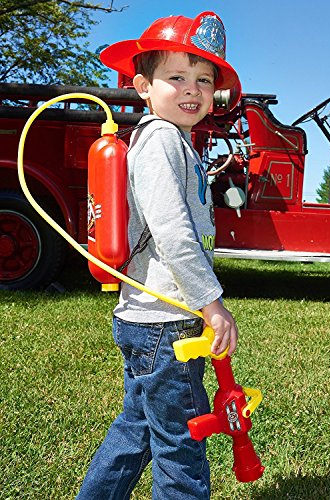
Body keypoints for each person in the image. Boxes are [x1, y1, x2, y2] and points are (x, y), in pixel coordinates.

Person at [77, 11, 239, 500]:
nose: (192, 90)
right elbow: (173, 232)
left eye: (204, 80)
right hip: (166, 323)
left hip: (147, 320)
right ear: (143, 86)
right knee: (181, 443)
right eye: (177, 78)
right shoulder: (162, 142)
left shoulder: (173, 140)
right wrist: (211, 303)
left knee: (139, 429)